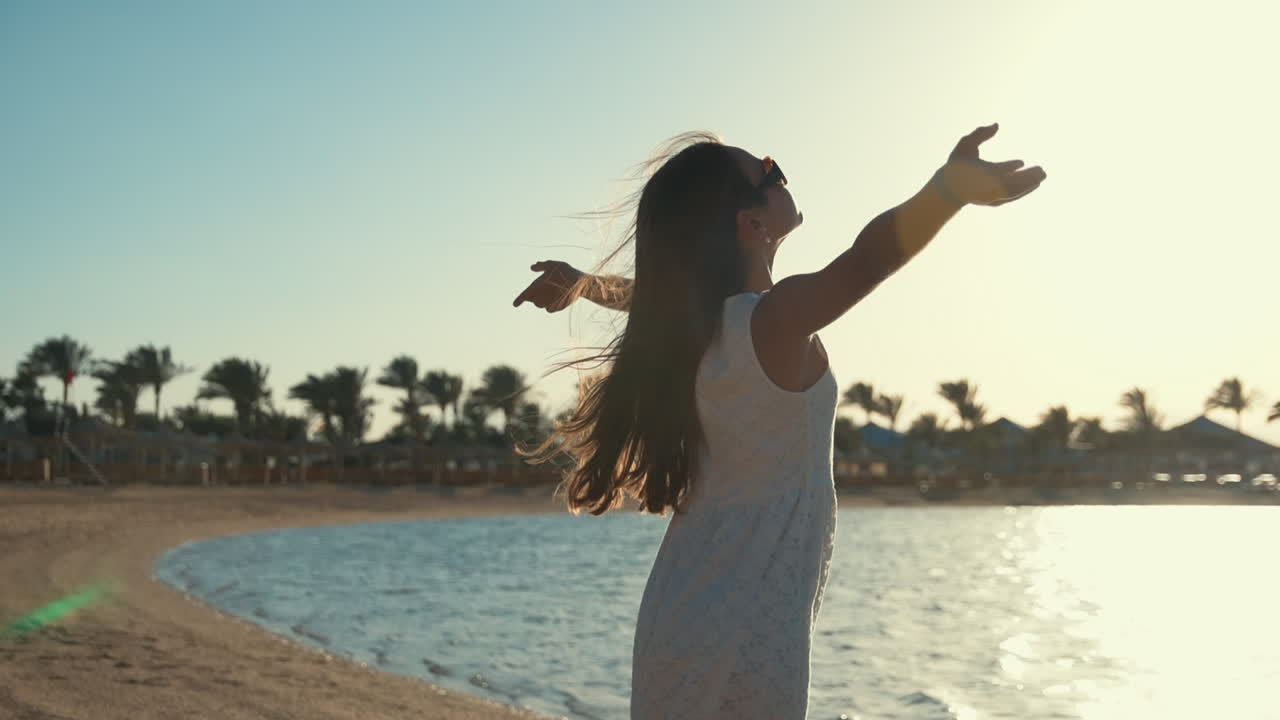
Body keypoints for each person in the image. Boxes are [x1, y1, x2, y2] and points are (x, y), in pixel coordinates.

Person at [512, 125, 1044, 719]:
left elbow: (656, 295)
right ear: (751, 224)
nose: (782, 174)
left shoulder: (703, 326)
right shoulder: (774, 319)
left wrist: (585, 285)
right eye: (769, 171)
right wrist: (947, 191)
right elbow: (867, 260)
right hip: (744, 621)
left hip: (686, 605)